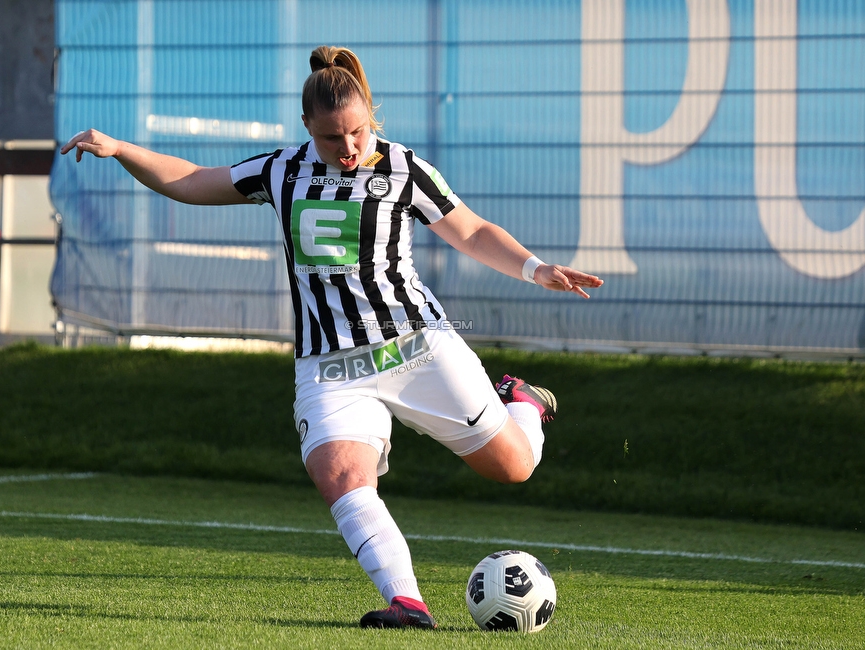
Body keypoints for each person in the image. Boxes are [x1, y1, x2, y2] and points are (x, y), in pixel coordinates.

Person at [61, 45, 603, 630]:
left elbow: (469, 230)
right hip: (327, 366)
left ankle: (519, 402)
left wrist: (535, 268)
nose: (348, 148)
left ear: (371, 115)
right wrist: (120, 149)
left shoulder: (402, 167)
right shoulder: (282, 171)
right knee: (341, 476)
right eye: (331, 138)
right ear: (306, 131)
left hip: (418, 348)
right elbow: (193, 181)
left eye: (358, 133)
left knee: (514, 468)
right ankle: (408, 602)